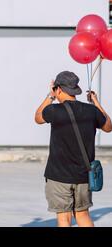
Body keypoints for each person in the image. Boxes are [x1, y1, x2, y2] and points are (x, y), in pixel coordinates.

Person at [34, 71, 112, 227]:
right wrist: (95, 102)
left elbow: (38, 117)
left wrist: (50, 96)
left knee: (64, 219)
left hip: (59, 176)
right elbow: (108, 127)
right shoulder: (91, 111)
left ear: (59, 89)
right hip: (83, 175)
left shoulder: (54, 110)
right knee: (83, 215)